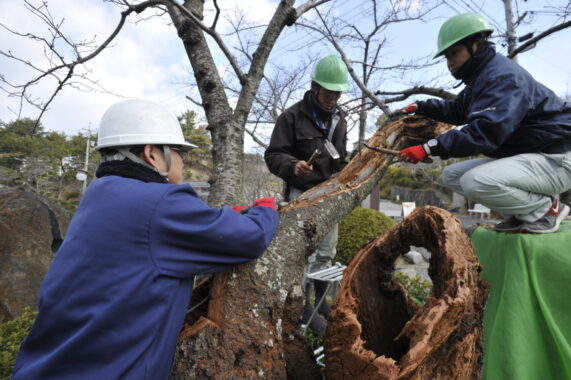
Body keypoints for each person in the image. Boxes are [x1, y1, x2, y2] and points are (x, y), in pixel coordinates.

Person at [12, 99, 279, 380]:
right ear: (152, 153)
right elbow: (250, 237)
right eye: (178, 151)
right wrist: (266, 209)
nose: (183, 160)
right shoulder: (161, 202)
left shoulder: (98, 195)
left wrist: (218, 218)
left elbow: (150, 236)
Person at [397, 13, 571, 234]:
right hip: (537, 155)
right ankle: (523, 215)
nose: (450, 62)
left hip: (558, 158)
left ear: (476, 45)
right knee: (452, 176)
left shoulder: (502, 77)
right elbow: (458, 109)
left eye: (454, 53)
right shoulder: (483, 77)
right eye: (446, 57)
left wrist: (428, 148)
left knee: (475, 181)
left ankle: (545, 211)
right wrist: (422, 106)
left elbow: (485, 131)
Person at [264, 55, 350, 334]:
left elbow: (340, 156)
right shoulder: (291, 117)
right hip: (301, 195)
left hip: (329, 194)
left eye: (337, 92)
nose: (333, 98)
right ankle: (301, 309)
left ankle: (321, 304)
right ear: (315, 87)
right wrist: (292, 165)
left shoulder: (340, 118)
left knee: (327, 252)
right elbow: (273, 155)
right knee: (304, 257)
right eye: (328, 92)